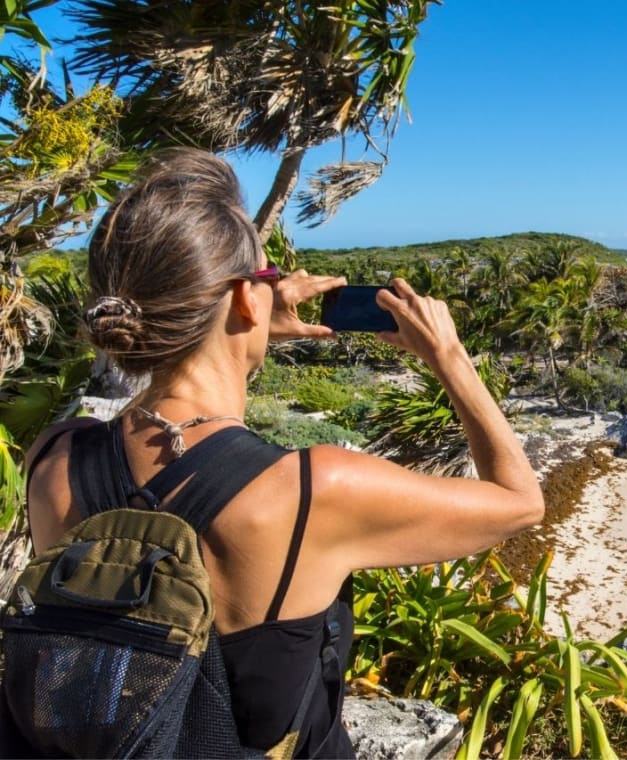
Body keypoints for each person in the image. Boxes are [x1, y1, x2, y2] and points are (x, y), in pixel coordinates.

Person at [21, 148, 544, 757]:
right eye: (269, 281)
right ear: (245, 298)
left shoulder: (57, 456)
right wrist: (449, 357)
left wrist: (247, 318)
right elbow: (519, 502)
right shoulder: (312, 490)